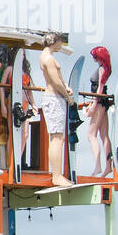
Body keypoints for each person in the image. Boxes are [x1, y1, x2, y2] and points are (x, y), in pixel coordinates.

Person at [38, 33, 76, 187]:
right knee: (57, 138)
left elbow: (58, 80)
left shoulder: (46, 57)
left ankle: (58, 174)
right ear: (55, 41)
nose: (62, 45)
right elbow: (55, 82)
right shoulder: (49, 59)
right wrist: (67, 97)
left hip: (54, 97)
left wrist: (66, 87)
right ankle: (57, 175)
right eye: (61, 42)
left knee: (57, 137)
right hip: (54, 98)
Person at [84, 46, 113, 176]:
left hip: (99, 101)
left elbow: (99, 88)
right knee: (104, 135)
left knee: (91, 135)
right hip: (103, 102)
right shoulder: (105, 68)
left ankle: (98, 166)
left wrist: (93, 104)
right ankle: (108, 166)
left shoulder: (101, 69)